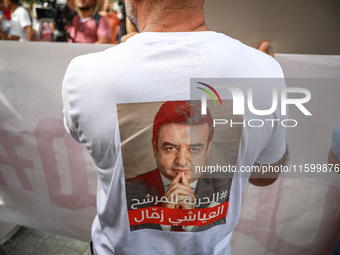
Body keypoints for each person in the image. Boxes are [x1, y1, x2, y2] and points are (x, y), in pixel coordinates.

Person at [62, 0, 287, 253]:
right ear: (153, 145)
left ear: (210, 146)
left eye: (196, 147)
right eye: (170, 147)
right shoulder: (264, 73)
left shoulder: (86, 74)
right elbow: (264, 175)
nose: (183, 161)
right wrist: (263, 92)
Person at [125, 101, 232, 232]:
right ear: (155, 147)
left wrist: (191, 220)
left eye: (194, 149)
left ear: (208, 149)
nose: (181, 161)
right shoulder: (127, 189)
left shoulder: (227, 183)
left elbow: (222, 229)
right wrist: (164, 218)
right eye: (170, 148)